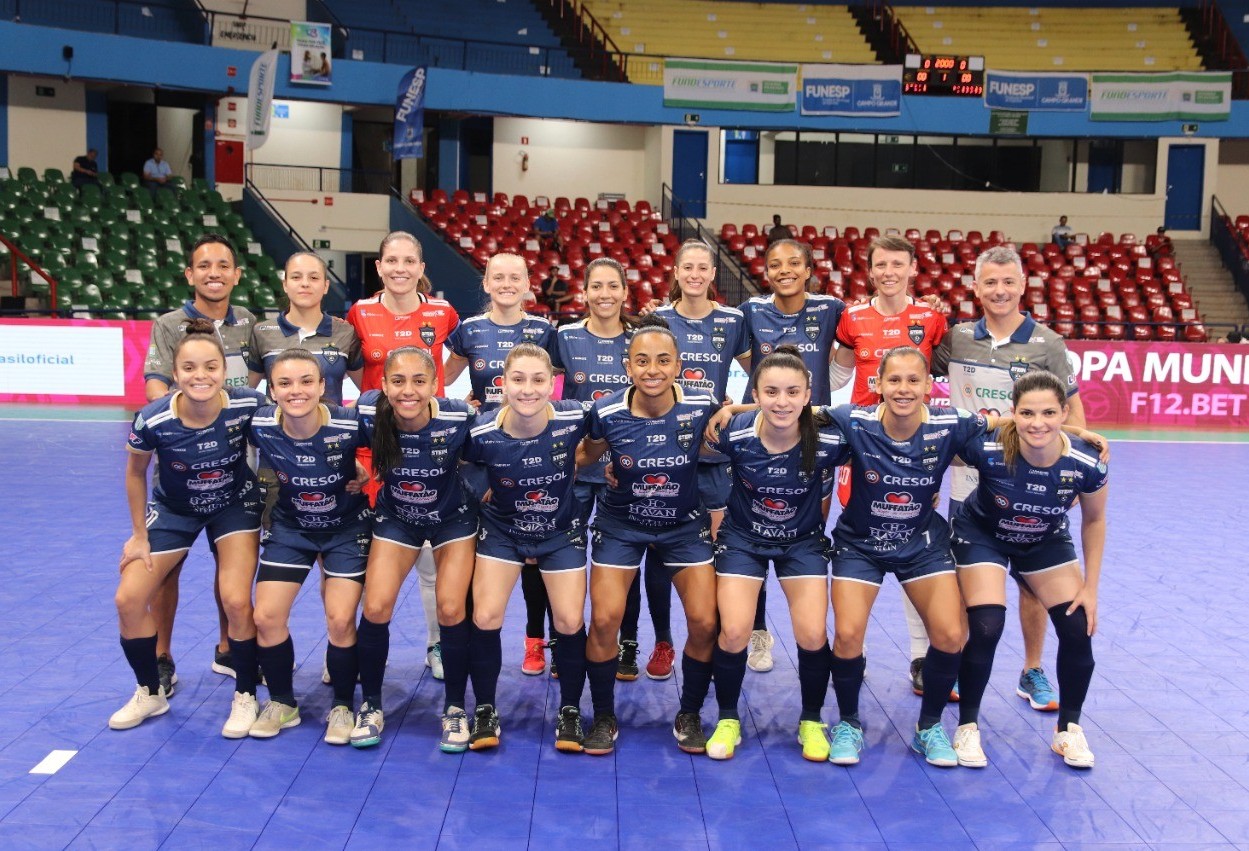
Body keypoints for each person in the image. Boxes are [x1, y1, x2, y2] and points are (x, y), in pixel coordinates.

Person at [932, 244, 1086, 715]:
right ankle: (957, 663)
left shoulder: (1049, 345)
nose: (999, 291)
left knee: (1030, 583)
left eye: (1008, 282)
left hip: (1028, 482)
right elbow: (913, 369)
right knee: (968, 580)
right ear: (975, 288)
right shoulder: (957, 339)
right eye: (990, 282)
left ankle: (1032, 668)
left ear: (1023, 285)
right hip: (966, 481)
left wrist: (1074, 472)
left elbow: (1073, 412)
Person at [820, 347, 990, 766]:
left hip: (921, 544)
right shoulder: (853, 420)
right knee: (846, 636)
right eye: (893, 380)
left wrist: (1073, 437)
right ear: (877, 385)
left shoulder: (951, 424)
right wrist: (728, 412)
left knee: (951, 635)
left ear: (929, 387)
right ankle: (848, 723)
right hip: (861, 544)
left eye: (913, 380)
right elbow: (787, 410)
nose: (903, 389)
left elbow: (1013, 429)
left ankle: (928, 727)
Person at [110, 319, 265, 735]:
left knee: (235, 600)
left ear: (223, 371)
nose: (201, 376)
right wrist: (139, 535)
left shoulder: (247, 405)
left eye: (211, 367)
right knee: (128, 599)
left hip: (233, 507)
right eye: (190, 368)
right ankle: (149, 691)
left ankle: (246, 696)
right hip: (175, 509)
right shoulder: (153, 418)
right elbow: (134, 473)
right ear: (175, 374)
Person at [950, 371, 1109, 770]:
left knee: (1076, 627)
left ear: (1065, 413)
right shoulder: (988, 446)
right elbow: (935, 439)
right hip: (983, 533)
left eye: (1049, 413)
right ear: (1013, 414)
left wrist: (1090, 587)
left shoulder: (1087, 462)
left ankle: (1068, 730)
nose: (1038, 422)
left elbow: (1094, 521)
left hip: (1044, 538)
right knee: (986, 625)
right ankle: (967, 726)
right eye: (1027, 413)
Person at [578, 315, 720, 756]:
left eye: (662, 360)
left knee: (704, 622)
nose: (652, 369)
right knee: (604, 621)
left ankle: (690, 711)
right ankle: (602, 715)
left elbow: (743, 424)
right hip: (620, 525)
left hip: (683, 526)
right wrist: (605, 467)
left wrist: (735, 410)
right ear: (628, 367)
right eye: (642, 361)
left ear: (678, 364)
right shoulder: (607, 412)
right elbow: (583, 454)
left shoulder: (702, 405)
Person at [703, 346, 844, 761]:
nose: (781, 401)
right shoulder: (737, 431)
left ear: (807, 395)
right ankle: (728, 718)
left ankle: (812, 721)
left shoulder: (830, 434)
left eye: (792, 392)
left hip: (801, 542)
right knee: (733, 631)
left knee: (813, 634)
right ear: (756, 394)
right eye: (771, 392)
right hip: (743, 539)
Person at [832, 236, 950, 696]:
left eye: (897, 264)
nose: (889, 271)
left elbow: (945, 376)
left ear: (912, 268)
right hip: (862, 444)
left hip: (917, 445)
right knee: (860, 539)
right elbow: (838, 374)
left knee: (911, 541)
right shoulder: (853, 317)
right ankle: (851, 650)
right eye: (881, 264)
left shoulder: (931, 318)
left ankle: (920, 655)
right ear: (870, 270)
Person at [461, 343, 594, 751]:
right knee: (484, 615)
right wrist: (479, 491)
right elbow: (461, 464)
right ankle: (484, 708)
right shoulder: (481, 431)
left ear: (552, 384)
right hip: (502, 530)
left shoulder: (574, 417)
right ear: (503, 383)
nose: (528, 390)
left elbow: (617, 430)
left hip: (559, 532)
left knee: (570, 621)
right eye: (518, 380)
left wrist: (597, 463)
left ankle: (569, 710)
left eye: (538, 380)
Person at [142, 234, 256, 695]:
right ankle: (162, 656)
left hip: (233, 466)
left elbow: (257, 385)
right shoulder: (169, 325)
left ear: (236, 274)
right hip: (180, 467)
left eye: (223, 265)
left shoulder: (248, 323)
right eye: (204, 266)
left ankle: (228, 647)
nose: (214, 273)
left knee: (229, 563)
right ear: (190, 275)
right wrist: (188, 424)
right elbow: (154, 387)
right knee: (167, 569)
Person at [352, 347, 478, 751]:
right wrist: (351, 470)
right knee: (374, 607)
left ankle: (456, 709)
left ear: (435, 384)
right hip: (397, 517)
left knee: (452, 609)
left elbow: (495, 451)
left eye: (419, 381)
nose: (408, 390)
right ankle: (370, 705)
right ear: (383, 385)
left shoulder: (459, 416)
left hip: (452, 519)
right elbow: (330, 439)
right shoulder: (368, 413)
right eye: (398, 381)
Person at [347, 231, 459, 681]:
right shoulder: (358, 313)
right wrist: (382, 407)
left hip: (432, 444)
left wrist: (436, 395)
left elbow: (459, 358)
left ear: (420, 266)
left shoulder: (442, 312)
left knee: (432, 558)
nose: (399, 268)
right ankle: (353, 646)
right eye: (391, 260)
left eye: (408, 261)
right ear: (379, 267)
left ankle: (437, 645)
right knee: (374, 552)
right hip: (379, 445)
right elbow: (356, 372)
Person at [444, 253, 560, 679]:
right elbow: (441, 381)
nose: (507, 284)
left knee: (534, 555)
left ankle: (539, 641)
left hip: (534, 454)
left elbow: (559, 384)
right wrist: (462, 406)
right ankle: (477, 641)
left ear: (528, 283)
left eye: (515, 277)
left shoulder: (545, 331)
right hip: (482, 456)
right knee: (481, 552)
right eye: (498, 277)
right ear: (487, 283)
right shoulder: (468, 330)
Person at [638, 238, 749, 681]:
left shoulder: (732, 320)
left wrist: (731, 409)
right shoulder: (657, 319)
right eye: (689, 267)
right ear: (678, 272)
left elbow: (756, 367)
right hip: (663, 452)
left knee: (719, 552)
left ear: (712, 274)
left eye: (704, 267)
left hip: (712, 451)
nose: (696, 275)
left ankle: (719, 634)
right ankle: (664, 641)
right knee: (660, 553)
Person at [248, 350, 371, 743]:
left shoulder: (351, 423)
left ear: (323, 386)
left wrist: (369, 471)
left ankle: (341, 705)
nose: (295, 391)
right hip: (291, 527)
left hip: (346, 528)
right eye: (284, 383)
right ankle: (283, 702)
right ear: (272, 390)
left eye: (306, 381)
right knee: (266, 617)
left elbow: (396, 446)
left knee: (339, 619)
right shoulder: (262, 423)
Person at [738, 238, 845, 672]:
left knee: (809, 538)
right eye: (776, 264)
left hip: (812, 441)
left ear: (808, 269)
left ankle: (815, 634)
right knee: (756, 532)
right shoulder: (749, 312)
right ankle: (759, 633)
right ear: (766, 272)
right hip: (761, 441)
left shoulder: (832, 309)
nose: (785, 270)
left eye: (794, 263)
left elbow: (878, 323)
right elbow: (750, 366)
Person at [551, 258, 633, 677]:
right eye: (596, 286)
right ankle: (558, 640)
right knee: (561, 554)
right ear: (584, 293)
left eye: (612, 286)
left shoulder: (639, 341)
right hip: (575, 468)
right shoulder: (563, 337)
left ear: (624, 292)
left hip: (626, 471)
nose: (604, 294)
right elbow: (544, 399)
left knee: (623, 560)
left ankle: (626, 643)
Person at [247, 252, 363, 406]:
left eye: (314, 278)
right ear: (285, 284)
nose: (305, 283)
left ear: (326, 286)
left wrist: (343, 415)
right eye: (296, 277)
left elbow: (367, 391)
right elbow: (246, 393)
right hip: (276, 429)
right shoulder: (262, 332)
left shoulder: (345, 332)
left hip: (329, 429)